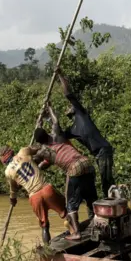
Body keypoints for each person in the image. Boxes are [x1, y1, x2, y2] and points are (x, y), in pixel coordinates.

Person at [33, 103, 97, 241]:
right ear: (47, 133)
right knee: (90, 197)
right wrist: (49, 108)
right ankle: (95, 223)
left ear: (39, 143)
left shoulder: (43, 151)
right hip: (87, 163)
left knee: (70, 203)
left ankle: (76, 233)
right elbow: (55, 120)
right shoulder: (57, 135)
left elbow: (37, 162)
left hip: (74, 168)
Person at [54, 67, 115, 197]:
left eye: (69, 106)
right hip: (98, 154)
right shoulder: (72, 130)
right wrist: (50, 114)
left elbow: (67, 93)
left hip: (103, 150)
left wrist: (60, 75)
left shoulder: (81, 113)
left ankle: (112, 205)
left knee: (106, 181)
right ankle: (110, 202)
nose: (68, 107)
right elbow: (58, 134)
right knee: (105, 181)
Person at [0, 145, 67, 245]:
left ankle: (47, 248)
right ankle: (76, 232)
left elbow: (13, 189)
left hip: (34, 197)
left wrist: (13, 199)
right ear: (12, 152)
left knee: (44, 225)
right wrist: (34, 159)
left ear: (3, 160)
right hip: (46, 189)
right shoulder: (23, 151)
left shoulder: (8, 171)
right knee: (65, 212)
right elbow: (39, 148)